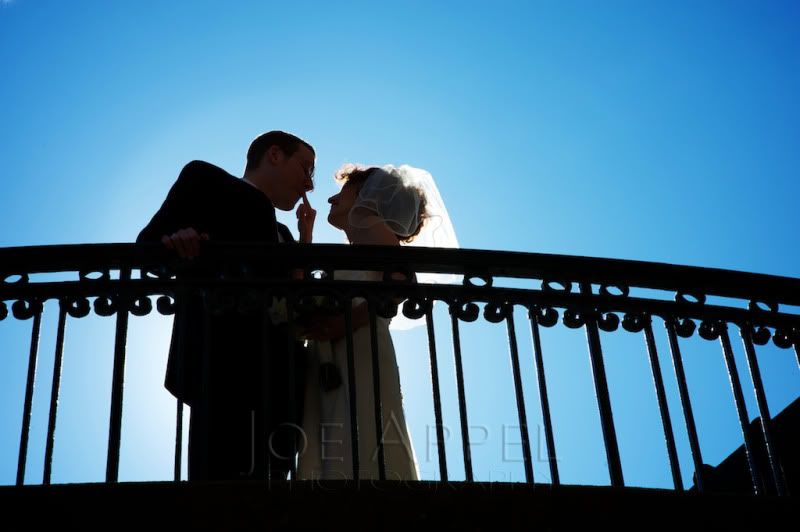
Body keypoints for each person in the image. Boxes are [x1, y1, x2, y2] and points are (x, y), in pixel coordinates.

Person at [136, 130, 317, 481]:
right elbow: (148, 247)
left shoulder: (285, 235)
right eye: (306, 167)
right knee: (216, 495)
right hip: (219, 373)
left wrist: (304, 243)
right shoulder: (205, 179)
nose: (309, 185)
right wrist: (176, 241)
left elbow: (297, 300)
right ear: (275, 154)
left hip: (281, 385)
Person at [296, 163, 458, 480]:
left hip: (361, 347)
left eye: (342, 192)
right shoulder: (358, 246)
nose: (331, 200)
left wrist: (342, 324)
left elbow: (399, 283)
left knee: (363, 423)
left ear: (367, 196)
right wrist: (306, 237)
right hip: (335, 352)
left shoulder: (370, 225)